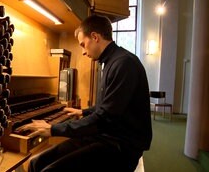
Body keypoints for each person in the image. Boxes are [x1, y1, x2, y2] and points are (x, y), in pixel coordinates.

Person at [16, 15, 152, 172]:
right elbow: (108, 106)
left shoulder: (123, 63)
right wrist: (83, 111)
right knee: (37, 163)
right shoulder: (111, 61)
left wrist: (53, 129)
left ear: (95, 37)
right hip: (107, 135)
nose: (82, 52)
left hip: (121, 145)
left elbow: (104, 118)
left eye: (82, 44)